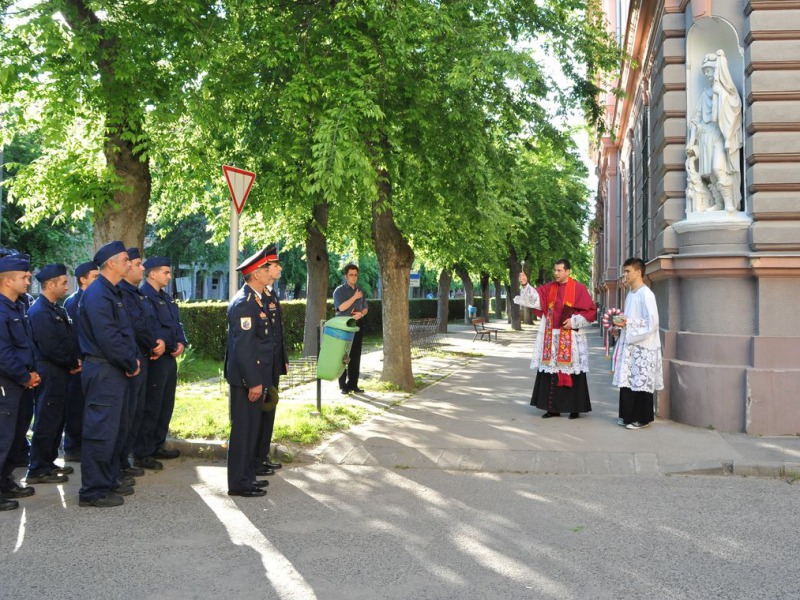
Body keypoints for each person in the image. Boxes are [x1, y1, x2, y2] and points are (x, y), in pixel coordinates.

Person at [77, 241, 140, 508]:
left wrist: (128, 361)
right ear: (112, 264)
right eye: (126, 259)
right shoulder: (98, 295)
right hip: (104, 369)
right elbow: (109, 338)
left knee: (115, 430)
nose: (130, 263)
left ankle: (109, 480)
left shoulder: (111, 292)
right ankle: (93, 491)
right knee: (101, 431)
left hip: (113, 369)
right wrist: (129, 362)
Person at [224, 247, 278, 497]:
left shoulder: (256, 298)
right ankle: (238, 483)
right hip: (247, 379)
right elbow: (244, 348)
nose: (271, 273)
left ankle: (247, 477)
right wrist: (254, 382)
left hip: (256, 377)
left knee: (251, 430)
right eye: (267, 269)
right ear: (256, 273)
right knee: (243, 432)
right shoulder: (245, 303)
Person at [514, 258, 597, 419]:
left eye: (559, 270)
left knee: (573, 371)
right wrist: (525, 285)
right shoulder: (549, 288)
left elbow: (590, 312)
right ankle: (552, 408)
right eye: (555, 270)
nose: (556, 273)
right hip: (551, 337)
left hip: (570, 336)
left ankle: (575, 408)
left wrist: (573, 321)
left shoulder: (578, 288)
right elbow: (535, 299)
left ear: (568, 272)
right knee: (551, 372)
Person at [25, 264, 81, 485]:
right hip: (49, 371)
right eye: (63, 283)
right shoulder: (39, 311)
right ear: (50, 285)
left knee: (57, 419)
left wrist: (72, 361)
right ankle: (37, 468)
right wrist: (71, 362)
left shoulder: (56, 309)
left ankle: (48, 462)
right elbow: (50, 347)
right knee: (47, 419)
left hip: (60, 370)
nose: (67, 287)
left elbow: (66, 340)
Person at [134, 256, 186, 470]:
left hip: (169, 358)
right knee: (152, 405)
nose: (169, 276)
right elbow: (149, 327)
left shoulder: (166, 297)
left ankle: (157, 444)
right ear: (152, 273)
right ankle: (143, 451)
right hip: (155, 358)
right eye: (165, 272)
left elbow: (176, 323)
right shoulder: (143, 297)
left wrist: (182, 342)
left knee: (165, 404)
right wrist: (161, 344)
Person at [119, 248, 164, 478]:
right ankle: (121, 462)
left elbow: (148, 324)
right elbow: (135, 326)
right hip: (133, 359)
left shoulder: (136, 294)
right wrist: (152, 344)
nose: (141, 268)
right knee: (129, 413)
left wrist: (157, 343)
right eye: (136, 264)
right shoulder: (124, 294)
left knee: (136, 412)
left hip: (142, 357)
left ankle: (124, 461)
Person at [0, 254, 39, 511]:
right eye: (24, 277)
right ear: (7, 280)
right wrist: (24, 375)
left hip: (21, 383)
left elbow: (26, 345)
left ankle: (5, 481)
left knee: (15, 436)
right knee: (2, 437)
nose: (28, 280)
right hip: (7, 383)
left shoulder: (19, 306)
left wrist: (32, 373)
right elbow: (2, 353)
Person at [686, 49, 743, 213]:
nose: (708, 74)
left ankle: (729, 203)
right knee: (710, 174)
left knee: (718, 168)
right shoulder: (705, 95)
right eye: (705, 72)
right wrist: (691, 143)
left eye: (710, 70)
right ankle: (718, 203)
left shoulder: (725, 92)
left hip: (719, 135)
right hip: (705, 136)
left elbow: (734, 107)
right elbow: (695, 121)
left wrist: (721, 94)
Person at [612, 257, 663, 430]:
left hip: (643, 345)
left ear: (638, 272)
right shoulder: (631, 294)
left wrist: (629, 324)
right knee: (627, 379)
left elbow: (653, 322)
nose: (624, 274)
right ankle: (627, 415)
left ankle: (642, 418)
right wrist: (620, 324)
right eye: (624, 271)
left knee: (640, 380)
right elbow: (631, 318)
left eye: (627, 271)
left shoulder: (646, 294)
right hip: (630, 343)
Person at [62, 260, 99, 462]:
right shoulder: (74, 302)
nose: (98, 280)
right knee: (76, 406)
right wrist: (76, 360)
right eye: (94, 276)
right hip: (79, 363)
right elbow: (74, 335)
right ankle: (72, 447)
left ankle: (83, 444)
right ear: (83, 279)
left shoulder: (94, 299)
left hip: (90, 363)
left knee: (88, 405)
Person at [255, 245, 287, 477]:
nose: (279, 269)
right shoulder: (256, 297)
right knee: (259, 411)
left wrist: (283, 359)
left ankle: (263, 454)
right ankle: (255, 457)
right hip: (261, 365)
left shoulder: (272, 294)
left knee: (270, 409)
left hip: (274, 362)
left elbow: (278, 333)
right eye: (274, 266)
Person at [333, 263, 368, 394]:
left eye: (355, 275)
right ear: (346, 276)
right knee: (343, 356)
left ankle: (353, 384)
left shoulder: (360, 291)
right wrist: (354, 297)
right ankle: (343, 386)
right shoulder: (339, 291)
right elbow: (341, 308)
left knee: (355, 355)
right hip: (343, 326)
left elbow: (365, 308)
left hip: (357, 325)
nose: (354, 277)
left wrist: (361, 314)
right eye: (351, 275)